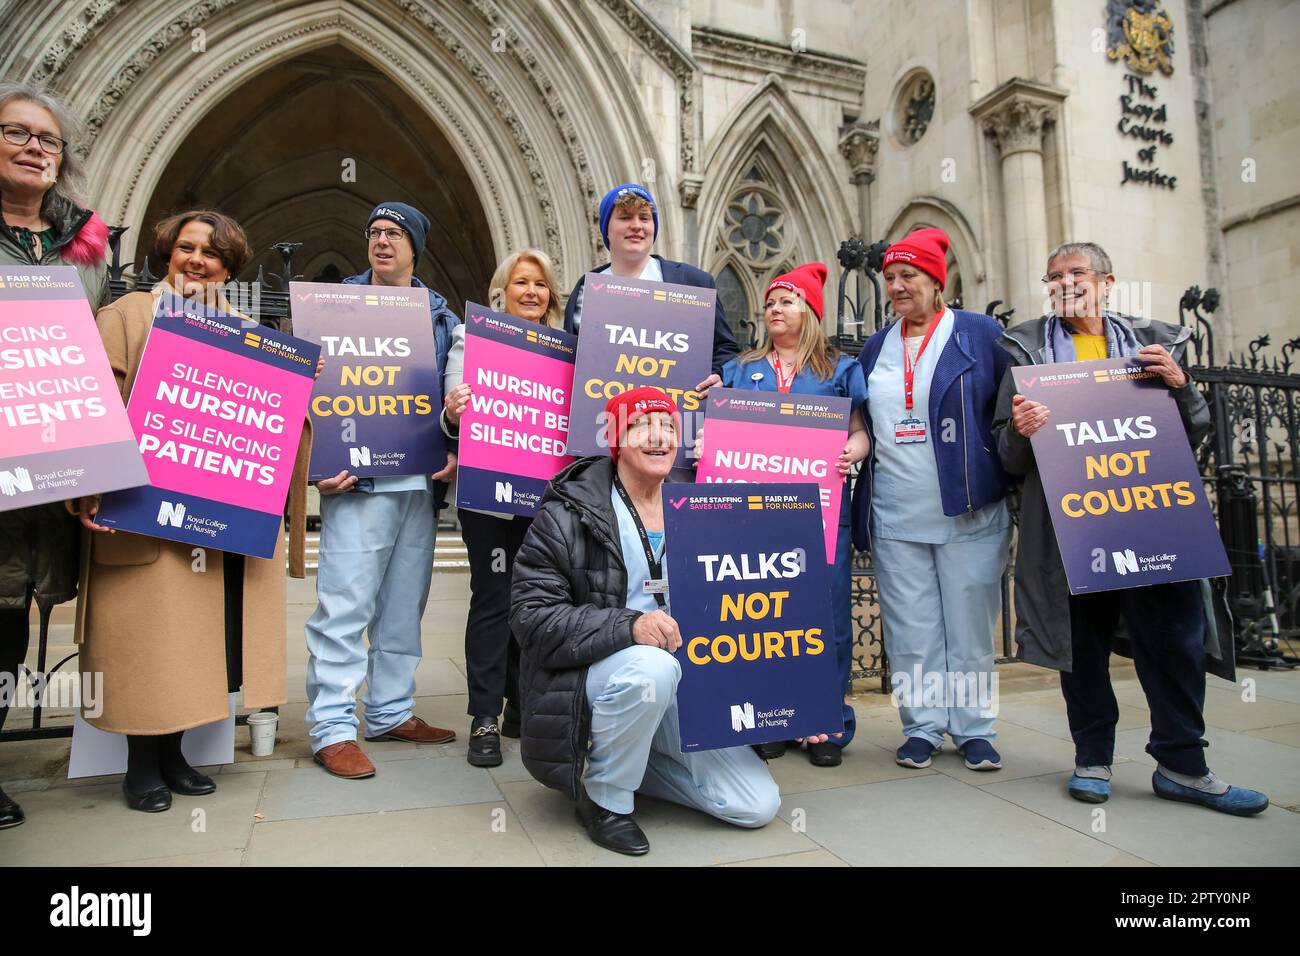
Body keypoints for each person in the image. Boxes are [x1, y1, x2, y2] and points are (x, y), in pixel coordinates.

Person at [992, 241, 1269, 814]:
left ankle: (1183, 766)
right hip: (1076, 531)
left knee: (1173, 645)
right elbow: (1008, 458)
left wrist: (1182, 386)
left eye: (1076, 273)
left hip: (1155, 523)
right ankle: (1092, 759)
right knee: (1084, 649)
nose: (1064, 283)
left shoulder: (1158, 345)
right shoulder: (1024, 353)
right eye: (1053, 276)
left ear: (1106, 282)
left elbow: (1198, 436)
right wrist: (1019, 429)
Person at [72, 209, 312, 812]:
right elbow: (95, 404)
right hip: (141, 511)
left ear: (229, 267)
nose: (198, 260)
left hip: (215, 518)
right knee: (149, 638)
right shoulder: (126, 315)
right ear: (167, 254)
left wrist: (298, 391)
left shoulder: (243, 330)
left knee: (198, 642)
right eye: (187, 248)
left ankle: (176, 756)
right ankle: (141, 766)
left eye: (212, 253)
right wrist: (90, 485)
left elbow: (272, 422)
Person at [511, 387, 811, 856]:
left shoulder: (700, 510)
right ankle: (606, 798)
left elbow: (747, 609)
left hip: (688, 680)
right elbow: (532, 619)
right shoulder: (566, 515)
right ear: (615, 439)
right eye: (641, 426)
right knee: (652, 667)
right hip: (601, 674)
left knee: (755, 806)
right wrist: (629, 626)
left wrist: (794, 704)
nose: (659, 437)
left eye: (669, 427)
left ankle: (626, 759)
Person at [303, 202, 459, 779]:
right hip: (356, 481)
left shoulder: (440, 317)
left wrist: (452, 443)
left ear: (415, 246)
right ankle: (332, 728)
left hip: (417, 484)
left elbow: (448, 403)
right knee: (344, 606)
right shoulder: (334, 308)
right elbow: (305, 392)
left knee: (402, 609)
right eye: (373, 233)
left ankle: (391, 711)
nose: (382, 242)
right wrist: (318, 463)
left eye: (394, 234)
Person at [852, 228, 1013, 772]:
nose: (897, 286)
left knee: (969, 626)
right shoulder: (877, 345)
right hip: (896, 511)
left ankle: (973, 730)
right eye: (891, 278)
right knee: (911, 628)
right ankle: (922, 725)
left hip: (968, 509)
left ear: (936, 282)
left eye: (909, 277)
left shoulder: (980, 334)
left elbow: (1008, 411)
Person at [0, 82, 110, 829]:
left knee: (10, 618)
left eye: (49, 140)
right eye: (18, 133)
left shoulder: (82, 248)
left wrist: (92, 468)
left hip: (47, 470)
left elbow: (88, 359)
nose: (36, 148)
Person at [719, 262, 868, 767]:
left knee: (824, 615)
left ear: (810, 310)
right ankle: (770, 716)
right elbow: (726, 429)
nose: (773, 309)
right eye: (769, 302)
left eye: (786, 301)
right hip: (755, 513)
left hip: (822, 511)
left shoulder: (839, 370)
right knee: (763, 612)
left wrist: (857, 449)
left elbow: (859, 429)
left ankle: (823, 722)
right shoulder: (742, 369)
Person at [440, 248, 564, 767]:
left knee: (534, 599)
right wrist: (453, 410)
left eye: (540, 284)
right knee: (494, 597)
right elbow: (453, 413)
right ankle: (485, 715)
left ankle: (521, 702)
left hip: (543, 499)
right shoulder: (472, 340)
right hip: (490, 499)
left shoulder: (564, 351)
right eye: (521, 283)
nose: (531, 292)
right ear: (501, 292)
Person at [563, 183, 738, 388]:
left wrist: (719, 375)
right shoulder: (586, 290)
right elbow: (571, 359)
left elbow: (726, 349)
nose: (636, 225)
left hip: (675, 416)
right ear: (606, 229)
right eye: (625, 217)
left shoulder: (694, 283)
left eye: (644, 218)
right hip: (603, 414)